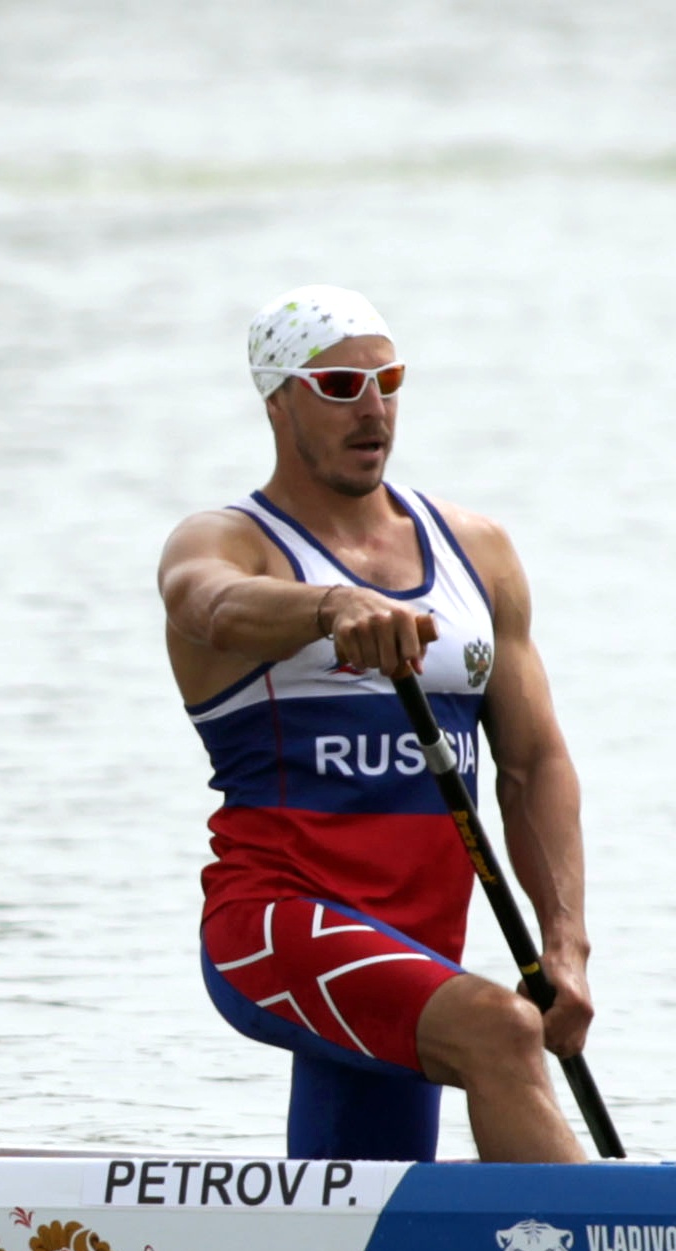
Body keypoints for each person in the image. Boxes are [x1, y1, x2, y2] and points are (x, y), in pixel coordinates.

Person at [157, 284, 590, 1163]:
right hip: (276, 922)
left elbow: (532, 763)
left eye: (386, 381)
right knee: (500, 1032)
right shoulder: (231, 542)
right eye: (340, 388)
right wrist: (329, 607)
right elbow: (205, 605)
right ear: (277, 401)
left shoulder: (477, 552)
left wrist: (565, 946)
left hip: (417, 944)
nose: (374, 409)